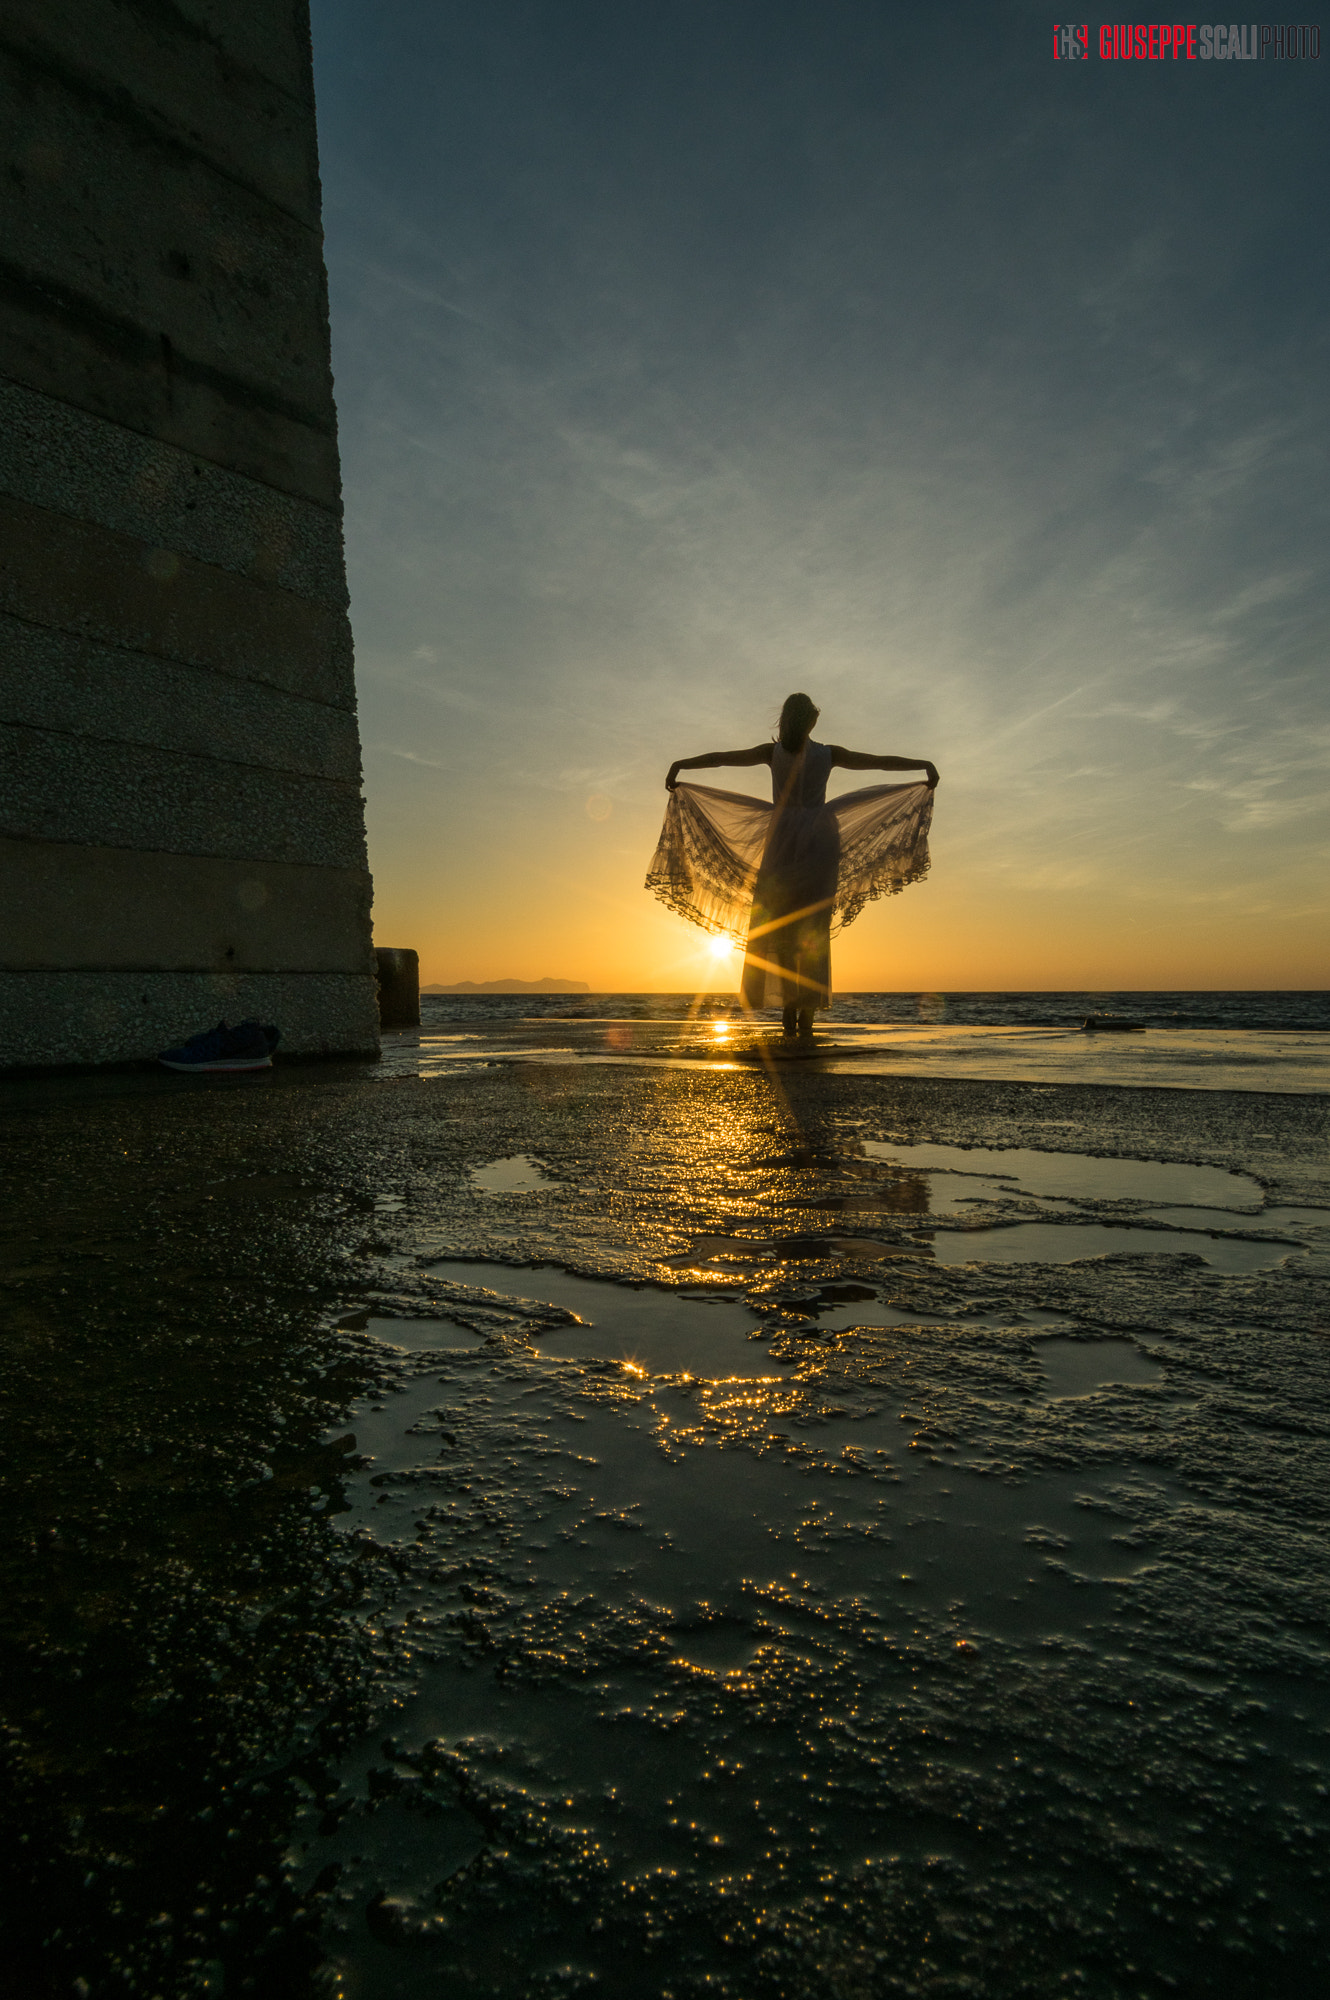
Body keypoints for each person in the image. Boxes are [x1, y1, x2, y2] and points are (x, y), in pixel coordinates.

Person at [653, 692, 938, 1042]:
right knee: (812, 930)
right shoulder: (826, 754)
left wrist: (679, 764)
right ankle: (804, 1012)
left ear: (786, 720)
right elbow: (877, 761)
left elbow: (719, 759)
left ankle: (793, 1008)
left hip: (784, 842)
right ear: (811, 722)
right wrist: (923, 764)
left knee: (783, 929)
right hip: (820, 840)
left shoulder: (774, 753)